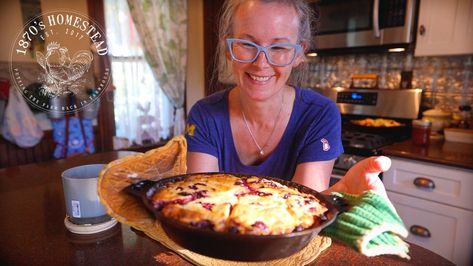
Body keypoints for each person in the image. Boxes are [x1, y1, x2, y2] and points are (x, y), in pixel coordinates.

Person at [185, 0, 389, 196]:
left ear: (299, 53)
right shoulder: (204, 115)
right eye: (247, 44)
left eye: (279, 47)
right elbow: (202, 202)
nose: (261, 63)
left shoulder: (319, 115)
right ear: (229, 48)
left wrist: (340, 195)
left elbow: (302, 214)